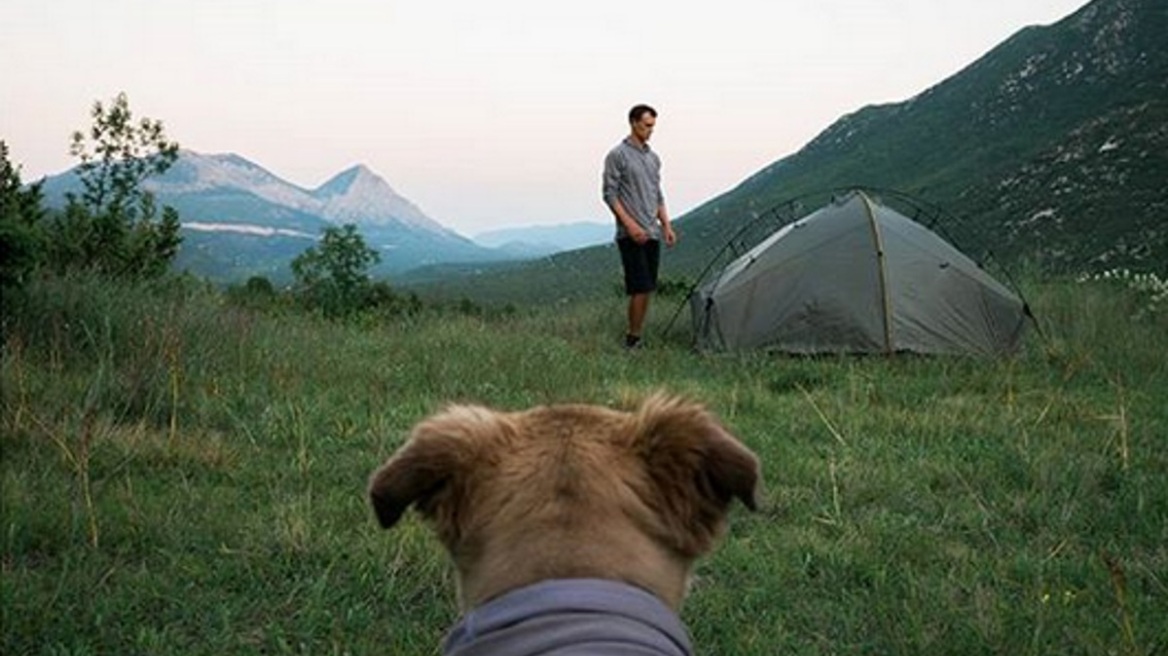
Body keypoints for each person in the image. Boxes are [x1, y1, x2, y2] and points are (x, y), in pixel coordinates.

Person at [602, 104, 677, 350]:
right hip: (630, 233)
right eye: (647, 125)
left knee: (648, 288)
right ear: (633, 123)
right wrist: (630, 224)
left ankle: (637, 336)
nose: (651, 130)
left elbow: (658, 194)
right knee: (640, 286)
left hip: (652, 231)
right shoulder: (617, 155)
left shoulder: (653, 158)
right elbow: (609, 194)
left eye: (653, 126)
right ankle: (631, 341)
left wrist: (666, 224)